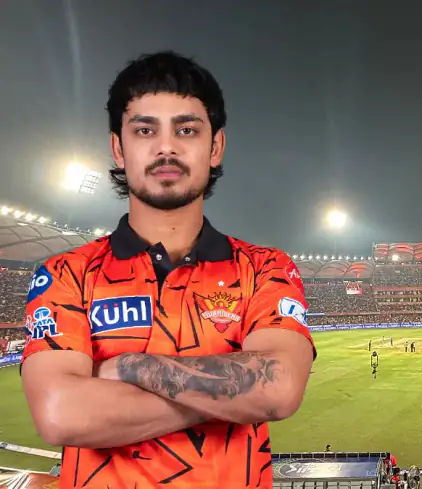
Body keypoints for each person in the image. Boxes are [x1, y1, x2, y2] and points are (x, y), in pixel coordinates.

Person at [20, 51, 316, 488]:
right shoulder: (65, 273)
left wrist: (126, 367)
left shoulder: (266, 268)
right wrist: (233, 395)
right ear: (118, 148)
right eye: (145, 130)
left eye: (186, 129)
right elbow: (61, 414)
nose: (166, 147)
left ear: (215, 147)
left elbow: (279, 388)